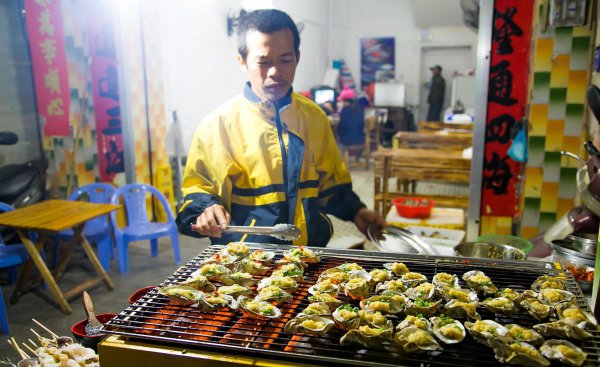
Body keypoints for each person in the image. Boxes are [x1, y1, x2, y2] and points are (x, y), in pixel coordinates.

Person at [176, 9, 386, 246]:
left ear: (297, 57)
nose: (275, 72)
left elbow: (330, 186)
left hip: (307, 253)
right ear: (242, 62)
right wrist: (206, 209)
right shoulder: (218, 125)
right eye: (263, 62)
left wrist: (357, 212)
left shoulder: (314, 118)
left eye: (285, 60)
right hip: (247, 262)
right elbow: (197, 192)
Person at [336, 86, 366, 156]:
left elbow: (342, 127)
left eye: (342, 101)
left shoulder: (345, 110)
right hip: (361, 139)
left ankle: (340, 163)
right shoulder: (360, 108)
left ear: (346, 101)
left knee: (338, 141)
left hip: (349, 140)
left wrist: (337, 133)